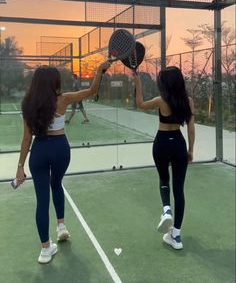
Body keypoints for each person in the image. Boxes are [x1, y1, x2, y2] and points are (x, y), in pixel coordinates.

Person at [15, 60, 110, 264]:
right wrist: (98, 70)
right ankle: (61, 226)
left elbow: (26, 139)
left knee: (42, 201)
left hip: (39, 151)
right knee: (56, 184)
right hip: (60, 149)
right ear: (54, 83)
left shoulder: (27, 104)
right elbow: (92, 90)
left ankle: (45, 250)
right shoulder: (64, 99)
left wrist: (20, 167)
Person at [133, 66, 195, 250]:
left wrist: (137, 83)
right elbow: (191, 128)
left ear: (165, 84)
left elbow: (140, 104)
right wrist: (190, 150)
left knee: (163, 179)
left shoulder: (161, 101)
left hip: (161, 144)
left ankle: (166, 209)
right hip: (178, 144)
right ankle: (176, 235)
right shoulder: (188, 101)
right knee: (179, 189)